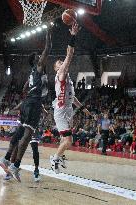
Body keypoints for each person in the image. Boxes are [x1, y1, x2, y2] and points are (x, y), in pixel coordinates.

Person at [3, 28, 52, 182]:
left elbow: (24, 88)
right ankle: (15, 165)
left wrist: (29, 97)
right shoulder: (37, 69)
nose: (41, 58)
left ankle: (6, 160)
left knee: (20, 133)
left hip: (29, 103)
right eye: (39, 58)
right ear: (37, 61)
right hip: (33, 103)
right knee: (27, 135)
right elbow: (48, 49)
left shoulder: (32, 73)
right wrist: (48, 35)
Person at [50, 22, 91, 174]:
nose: (61, 62)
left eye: (61, 62)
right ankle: (54, 159)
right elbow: (70, 54)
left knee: (66, 140)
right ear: (57, 68)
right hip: (61, 111)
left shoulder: (68, 80)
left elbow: (72, 98)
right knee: (68, 140)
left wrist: (83, 108)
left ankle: (58, 157)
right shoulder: (60, 74)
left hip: (68, 109)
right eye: (59, 63)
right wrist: (72, 36)